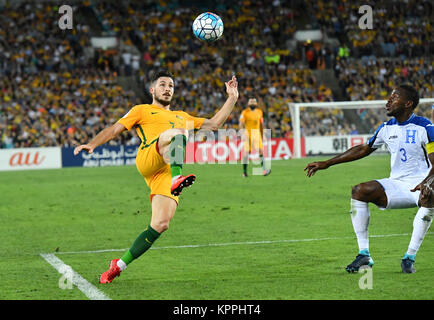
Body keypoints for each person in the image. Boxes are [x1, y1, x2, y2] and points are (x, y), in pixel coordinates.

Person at [74, 69, 239, 283]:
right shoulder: (141, 110)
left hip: (165, 171)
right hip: (149, 156)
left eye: (171, 86)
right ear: (152, 90)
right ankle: (177, 179)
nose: (167, 89)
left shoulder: (182, 116)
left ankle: (118, 265)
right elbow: (115, 129)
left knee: (160, 224)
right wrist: (92, 144)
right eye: (162, 84)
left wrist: (232, 98)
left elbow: (214, 124)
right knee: (178, 133)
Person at [304, 85, 434, 273]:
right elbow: (364, 149)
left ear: (408, 103)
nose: (388, 102)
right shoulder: (386, 128)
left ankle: (409, 257)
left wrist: (427, 182)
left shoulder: (425, 127)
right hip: (397, 184)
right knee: (359, 191)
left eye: (394, 97)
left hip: (424, 182)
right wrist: (328, 163)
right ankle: (364, 254)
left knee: (429, 194)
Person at [239, 97, 271, 177]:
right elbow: (241, 124)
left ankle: (264, 170)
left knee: (261, 151)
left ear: (256, 104)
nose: (252, 103)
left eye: (254, 102)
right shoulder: (244, 112)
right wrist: (242, 133)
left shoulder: (260, 112)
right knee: (246, 153)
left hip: (257, 134)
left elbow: (261, 124)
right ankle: (244, 172)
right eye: (251, 101)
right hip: (248, 135)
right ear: (248, 103)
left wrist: (263, 134)